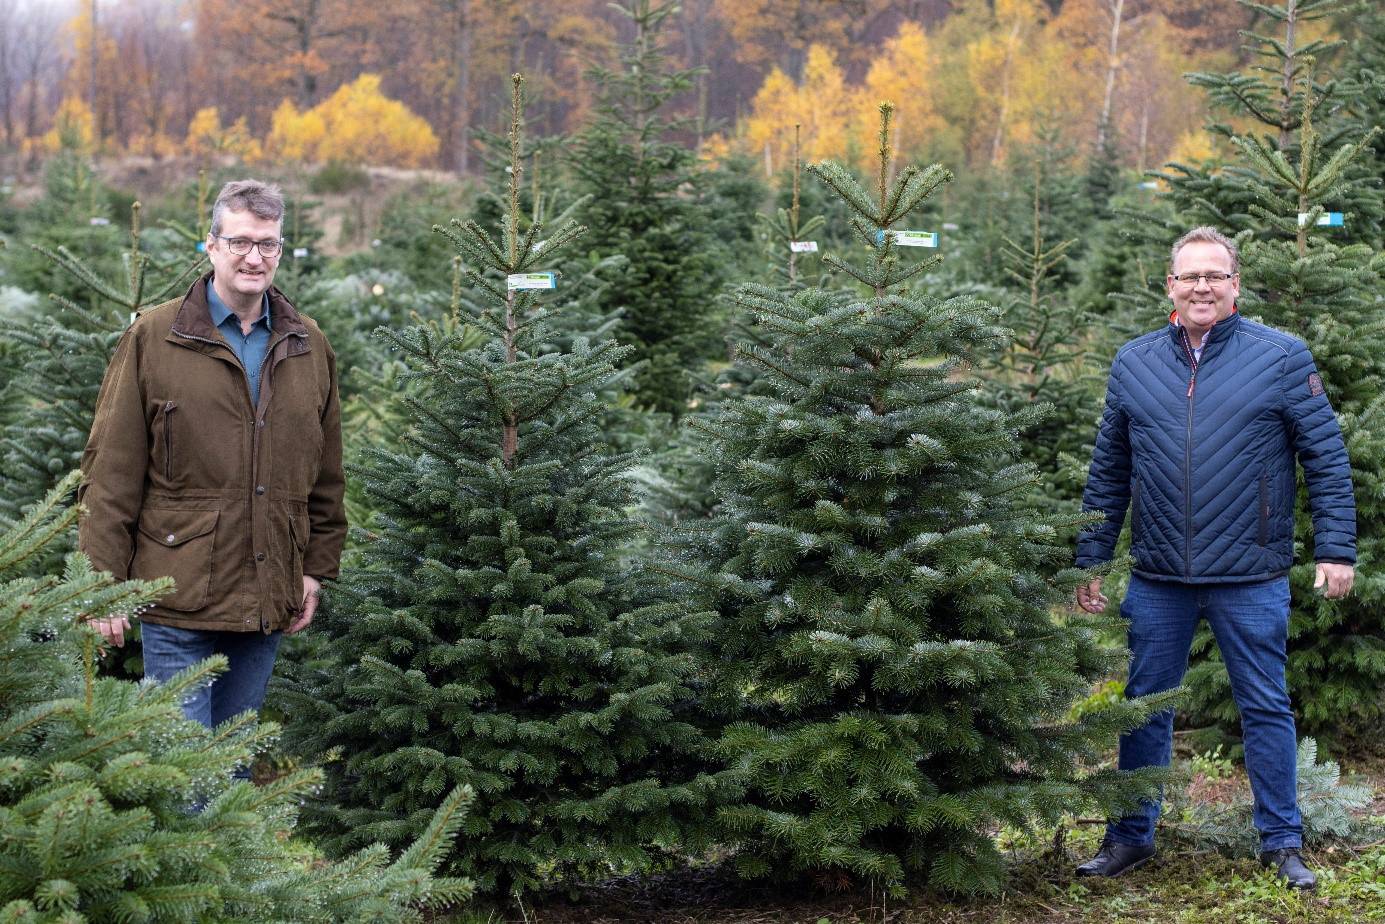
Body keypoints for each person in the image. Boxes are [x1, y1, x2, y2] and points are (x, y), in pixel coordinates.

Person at [1073, 226, 1355, 891]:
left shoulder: (1281, 357)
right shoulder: (1134, 362)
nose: (1202, 286)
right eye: (1189, 276)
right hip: (1157, 577)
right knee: (1143, 706)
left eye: (1215, 275)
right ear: (1169, 286)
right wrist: (1091, 557)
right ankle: (1129, 837)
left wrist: (1335, 549)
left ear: (1235, 285)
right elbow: (1108, 470)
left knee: (1264, 707)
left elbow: (1326, 460)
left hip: (1249, 575)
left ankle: (1281, 843)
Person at [78, 179, 345, 754]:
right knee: (183, 768)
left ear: (280, 249)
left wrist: (313, 569)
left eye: (268, 244)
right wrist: (101, 584)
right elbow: (110, 470)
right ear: (212, 245)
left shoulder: (307, 344)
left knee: (231, 765)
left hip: (269, 590)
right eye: (240, 242)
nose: (254, 258)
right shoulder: (155, 337)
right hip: (178, 591)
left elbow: (326, 474)